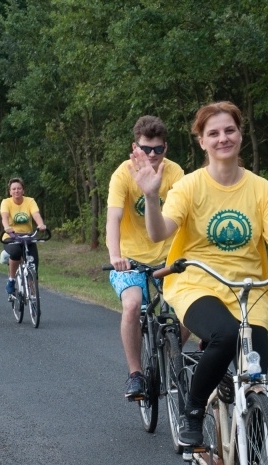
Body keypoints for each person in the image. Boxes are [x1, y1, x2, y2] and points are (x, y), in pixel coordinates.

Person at [133, 101, 268, 446]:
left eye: (229, 130)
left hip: (248, 290)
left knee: (256, 380)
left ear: (240, 135)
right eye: (213, 133)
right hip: (196, 284)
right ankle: (192, 410)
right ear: (201, 141)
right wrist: (152, 196)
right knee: (226, 333)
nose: (223, 138)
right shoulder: (189, 187)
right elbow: (159, 233)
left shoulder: (262, 190)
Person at [106, 115, 186, 400]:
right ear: (135, 148)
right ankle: (136, 374)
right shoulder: (123, 174)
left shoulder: (175, 173)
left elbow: (186, 216)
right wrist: (115, 255)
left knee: (188, 309)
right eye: (146, 148)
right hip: (131, 258)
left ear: (166, 148)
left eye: (158, 149)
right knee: (132, 306)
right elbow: (113, 218)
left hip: (169, 257)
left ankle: (171, 351)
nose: (152, 155)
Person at [0, 177, 47, 294]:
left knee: (33, 266)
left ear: (23, 190)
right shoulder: (6, 202)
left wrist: (40, 224)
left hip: (27, 237)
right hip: (11, 236)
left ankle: (33, 298)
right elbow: (4, 217)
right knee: (16, 252)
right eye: (14, 189)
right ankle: (11, 280)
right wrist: (6, 227)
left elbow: (36, 214)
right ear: (10, 191)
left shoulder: (30, 201)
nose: (16, 191)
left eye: (19, 188)